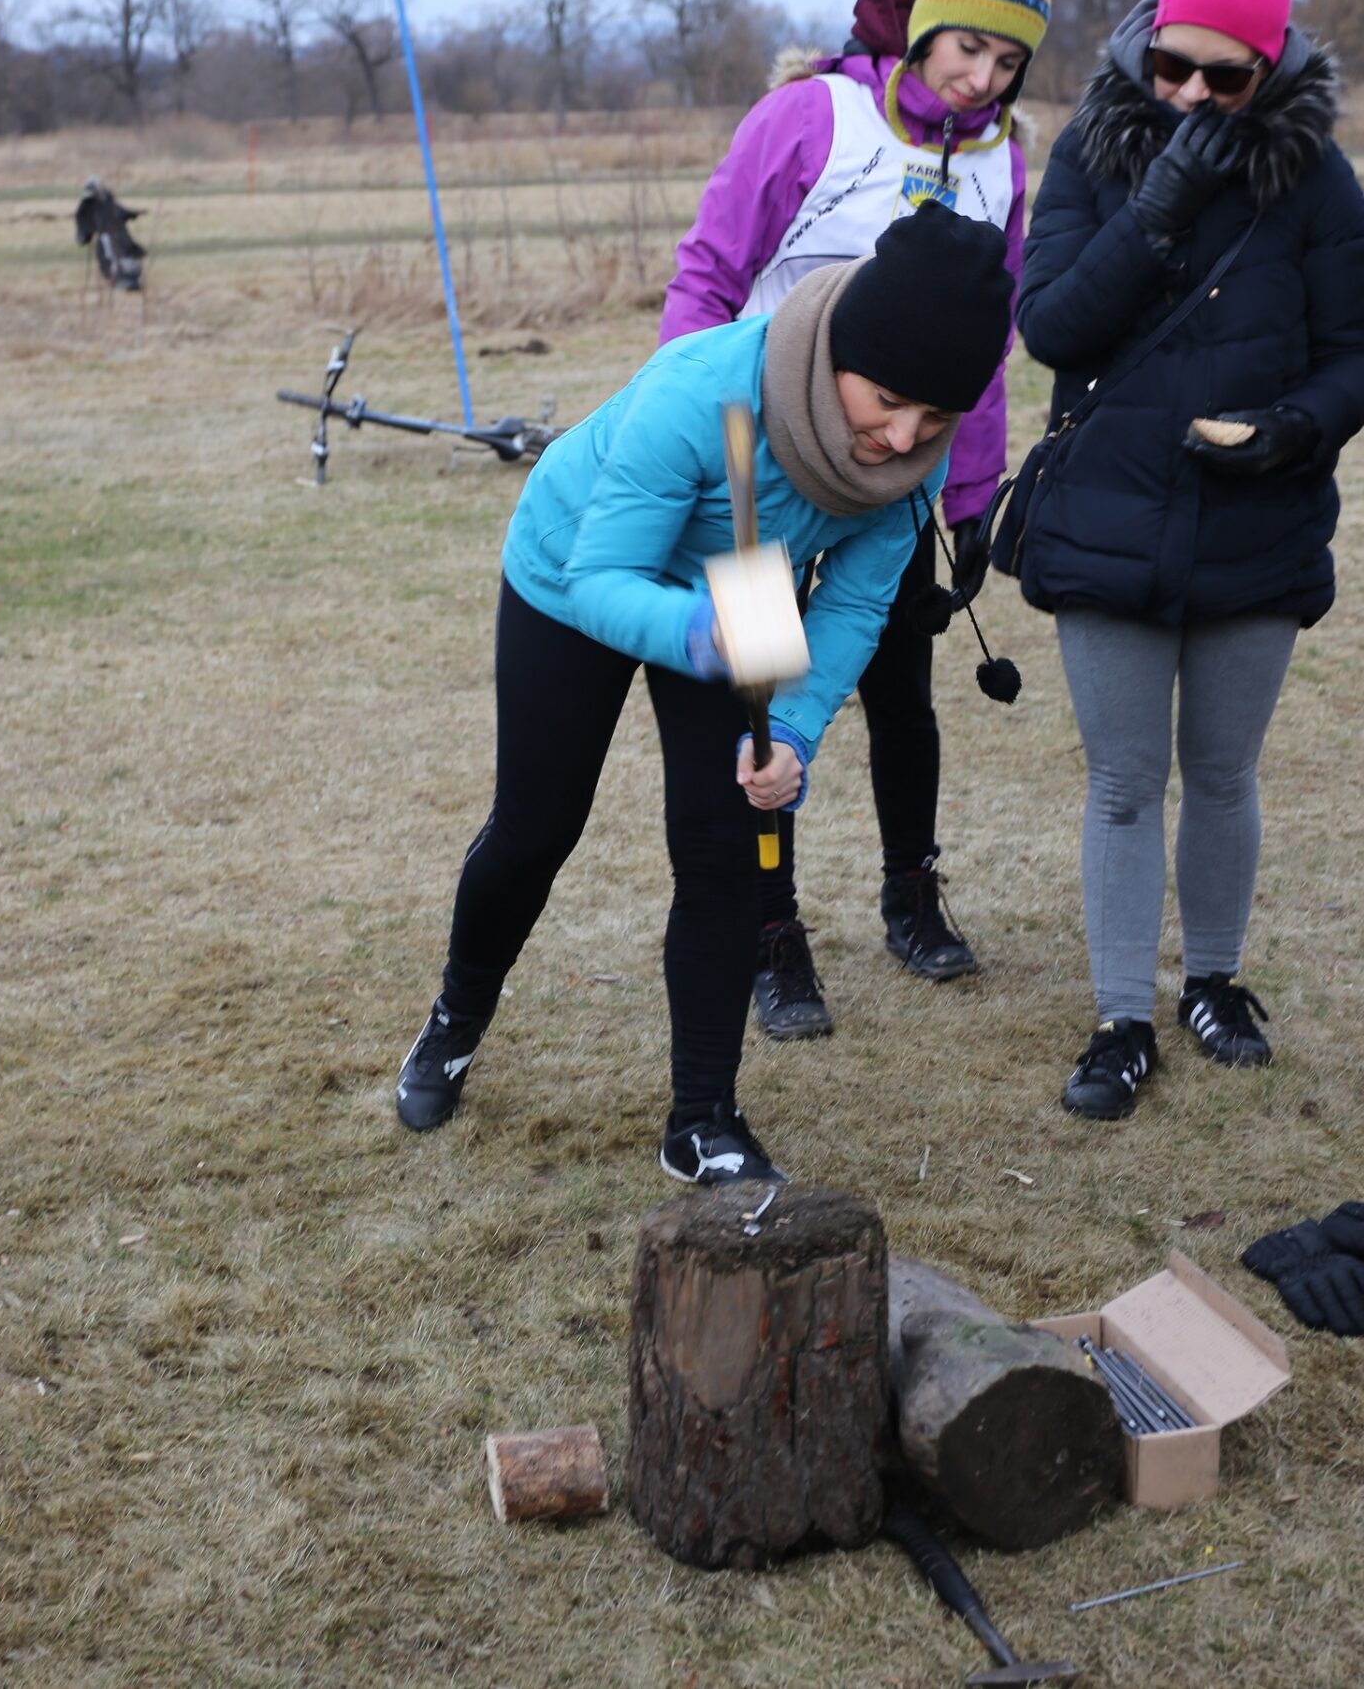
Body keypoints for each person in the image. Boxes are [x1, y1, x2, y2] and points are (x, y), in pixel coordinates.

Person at [394, 203, 1014, 1185]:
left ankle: (702, 1121)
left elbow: (854, 610)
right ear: (838, 353)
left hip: (744, 584)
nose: (901, 439)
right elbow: (603, 581)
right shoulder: (699, 393)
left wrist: (797, 733)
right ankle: (453, 1023)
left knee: (728, 845)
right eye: (888, 399)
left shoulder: (901, 474)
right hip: (575, 571)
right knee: (536, 828)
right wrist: (697, 634)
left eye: (935, 420)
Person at [1007, 0, 1364, 1120]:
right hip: (1107, 519)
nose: (1190, 95)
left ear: (1268, 73)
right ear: (1144, 48)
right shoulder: (1092, 151)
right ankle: (1122, 1016)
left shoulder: (1313, 178)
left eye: (1224, 79)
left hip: (1256, 517)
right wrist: (1158, 206)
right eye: (1173, 67)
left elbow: (1357, 347)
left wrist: (1297, 429)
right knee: (1122, 783)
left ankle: (1214, 984)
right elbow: (1052, 328)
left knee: (1224, 774)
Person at [659, 0, 1046, 1041]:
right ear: (920, 29)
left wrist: (971, 492)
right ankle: (769, 932)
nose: (983, 78)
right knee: (763, 700)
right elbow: (707, 275)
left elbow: (985, 342)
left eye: (1007, 64)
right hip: (754, 472)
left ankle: (910, 894)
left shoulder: (1000, 154)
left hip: (889, 472)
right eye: (966, 50)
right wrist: (687, 424)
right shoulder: (810, 117)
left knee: (897, 690)